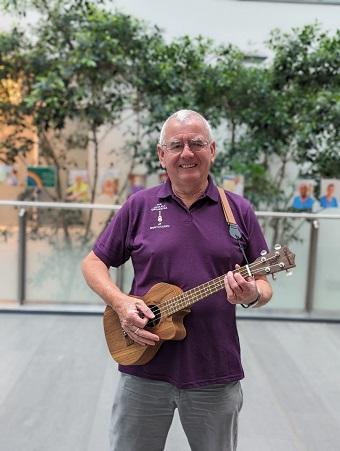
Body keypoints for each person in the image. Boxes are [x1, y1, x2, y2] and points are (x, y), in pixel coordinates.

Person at [82, 110, 273, 451]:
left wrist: (250, 293)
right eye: (176, 145)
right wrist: (120, 302)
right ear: (162, 155)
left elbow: (264, 284)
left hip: (215, 369)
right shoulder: (139, 206)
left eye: (196, 143)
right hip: (141, 365)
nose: (187, 153)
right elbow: (94, 262)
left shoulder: (238, 211)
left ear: (212, 150)